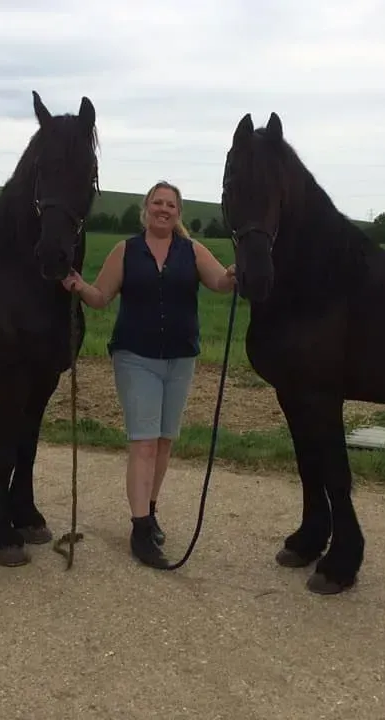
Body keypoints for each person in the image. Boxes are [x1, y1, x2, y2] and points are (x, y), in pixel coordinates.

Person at [62, 180, 236, 568]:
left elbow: (221, 283)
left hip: (180, 360)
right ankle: (140, 528)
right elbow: (102, 298)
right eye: (157, 203)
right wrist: (78, 285)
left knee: (163, 442)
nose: (163, 209)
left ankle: (150, 510)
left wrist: (240, 270)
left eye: (170, 205)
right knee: (142, 441)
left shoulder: (192, 251)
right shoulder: (126, 250)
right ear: (146, 209)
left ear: (178, 212)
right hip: (135, 357)